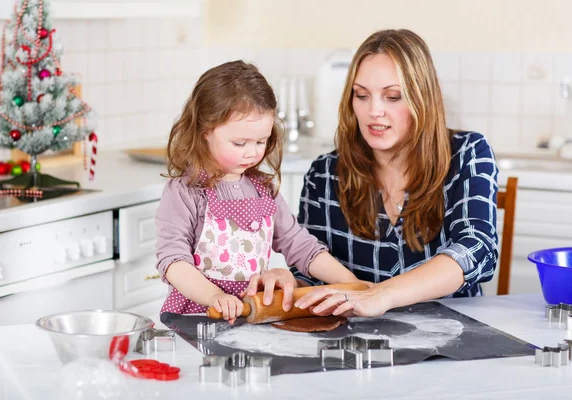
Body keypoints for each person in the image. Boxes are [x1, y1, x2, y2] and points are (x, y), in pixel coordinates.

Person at [249, 29, 499, 318]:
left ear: (423, 99)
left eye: (393, 97)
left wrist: (382, 295)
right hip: (358, 344)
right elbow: (319, 279)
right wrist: (289, 284)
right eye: (362, 95)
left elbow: (476, 248)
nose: (373, 111)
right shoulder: (325, 174)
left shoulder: (468, 153)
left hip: (452, 337)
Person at [155, 60, 362, 324]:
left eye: (261, 141)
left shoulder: (263, 190)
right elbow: (173, 262)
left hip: (250, 315)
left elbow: (300, 246)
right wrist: (214, 296)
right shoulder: (185, 192)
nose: (252, 152)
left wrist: (352, 284)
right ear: (205, 132)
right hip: (197, 317)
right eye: (239, 142)